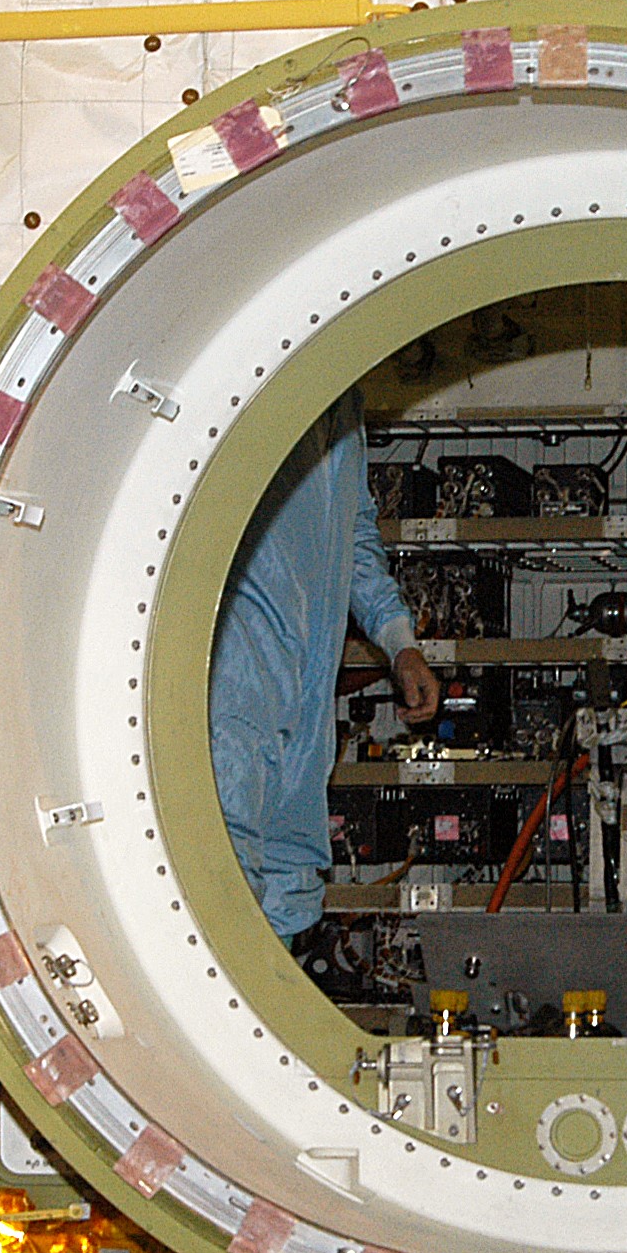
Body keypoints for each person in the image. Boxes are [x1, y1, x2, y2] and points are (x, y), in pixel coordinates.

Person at [211, 392, 439, 940]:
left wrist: (398, 641)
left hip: (308, 684)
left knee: (289, 868)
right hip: (235, 671)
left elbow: (357, 535)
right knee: (226, 854)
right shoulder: (247, 390)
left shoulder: (338, 403)